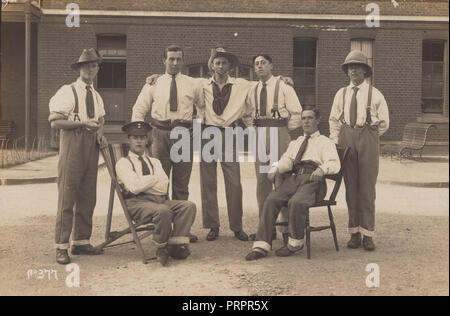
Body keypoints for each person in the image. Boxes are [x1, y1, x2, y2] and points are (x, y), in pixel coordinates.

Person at [245, 107, 340, 260]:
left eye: (309, 118)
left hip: (313, 180)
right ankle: (261, 245)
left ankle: (295, 243)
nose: (306, 121)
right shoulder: (297, 142)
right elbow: (287, 160)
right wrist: (275, 168)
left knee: (296, 202)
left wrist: (322, 170)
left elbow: (334, 163)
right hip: (295, 178)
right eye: (303, 118)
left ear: (317, 120)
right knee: (271, 199)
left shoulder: (325, 142)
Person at [132, 45, 201, 242]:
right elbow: (139, 109)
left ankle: (181, 230)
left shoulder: (192, 84)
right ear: (164, 61)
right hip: (159, 134)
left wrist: (197, 129)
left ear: (183, 60)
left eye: (178, 59)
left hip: (183, 134)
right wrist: (139, 136)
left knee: (181, 182)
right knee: (159, 182)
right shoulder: (153, 84)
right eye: (171, 59)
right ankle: (162, 227)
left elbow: (203, 106)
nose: (175, 63)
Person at [48, 48, 106, 265]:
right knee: (67, 195)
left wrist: (100, 135)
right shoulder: (68, 91)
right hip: (73, 142)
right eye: (86, 65)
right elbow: (55, 121)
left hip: (91, 145)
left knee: (88, 195)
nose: (90, 69)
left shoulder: (97, 95)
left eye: (94, 65)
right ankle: (61, 246)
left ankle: (81, 241)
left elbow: (100, 120)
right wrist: (82, 123)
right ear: (79, 68)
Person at [329, 49, 389, 251]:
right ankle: (354, 232)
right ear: (347, 71)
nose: (353, 70)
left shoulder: (375, 94)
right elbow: (333, 120)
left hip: (368, 139)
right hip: (347, 138)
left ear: (365, 71)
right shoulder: (341, 93)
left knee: (367, 189)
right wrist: (337, 140)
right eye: (350, 67)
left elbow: (384, 124)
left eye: (357, 66)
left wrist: (368, 137)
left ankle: (368, 234)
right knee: (351, 187)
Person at [115, 121, 197, 266]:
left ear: (147, 140)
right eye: (135, 137)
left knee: (188, 206)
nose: (139, 141)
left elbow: (164, 187)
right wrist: (154, 179)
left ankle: (175, 245)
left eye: (142, 137)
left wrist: (144, 182)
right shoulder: (123, 163)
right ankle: (161, 247)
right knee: (162, 211)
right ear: (128, 140)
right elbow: (134, 188)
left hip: (159, 200)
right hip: (137, 203)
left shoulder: (155, 162)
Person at [196, 47, 254, 242]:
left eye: (224, 63)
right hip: (208, 134)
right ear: (211, 65)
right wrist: (154, 77)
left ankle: (237, 226)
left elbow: (264, 83)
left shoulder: (242, 85)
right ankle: (213, 226)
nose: (220, 66)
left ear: (230, 66)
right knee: (208, 183)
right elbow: (179, 82)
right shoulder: (200, 85)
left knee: (234, 183)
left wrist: (283, 80)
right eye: (217, 62)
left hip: (229, 134)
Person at [248, 53, 303, 242]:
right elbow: (247, 113)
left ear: (271, 66)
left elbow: (297, 112)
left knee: (281, 178)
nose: (260, 66)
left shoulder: (283, 86)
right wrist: (253, 129)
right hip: (260, 135)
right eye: (256, 64)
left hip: (279, 133)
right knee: (262, 181)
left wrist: (284, 129)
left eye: (263, 63)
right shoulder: (252, 89)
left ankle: (286, 227)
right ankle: (266, 228)